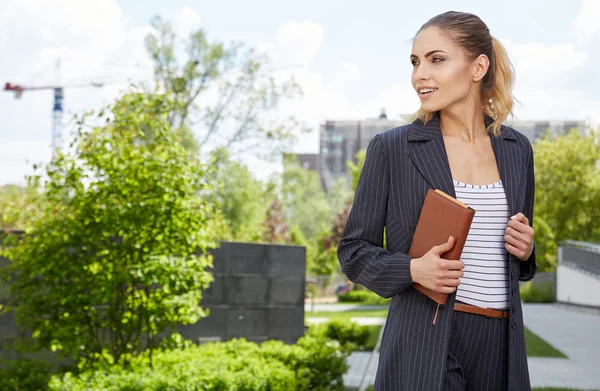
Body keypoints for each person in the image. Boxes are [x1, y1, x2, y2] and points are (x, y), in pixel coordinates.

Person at [338, 11, 536, 391]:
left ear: (478, 66)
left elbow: (519, 260)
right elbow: (352, 251)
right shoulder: (393, 148)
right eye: (415, 62)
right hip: (425, 340)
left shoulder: (517, 151)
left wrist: (526, 250)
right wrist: (413, 270)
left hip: (500, 343)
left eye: (436, 59)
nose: (419, 75)